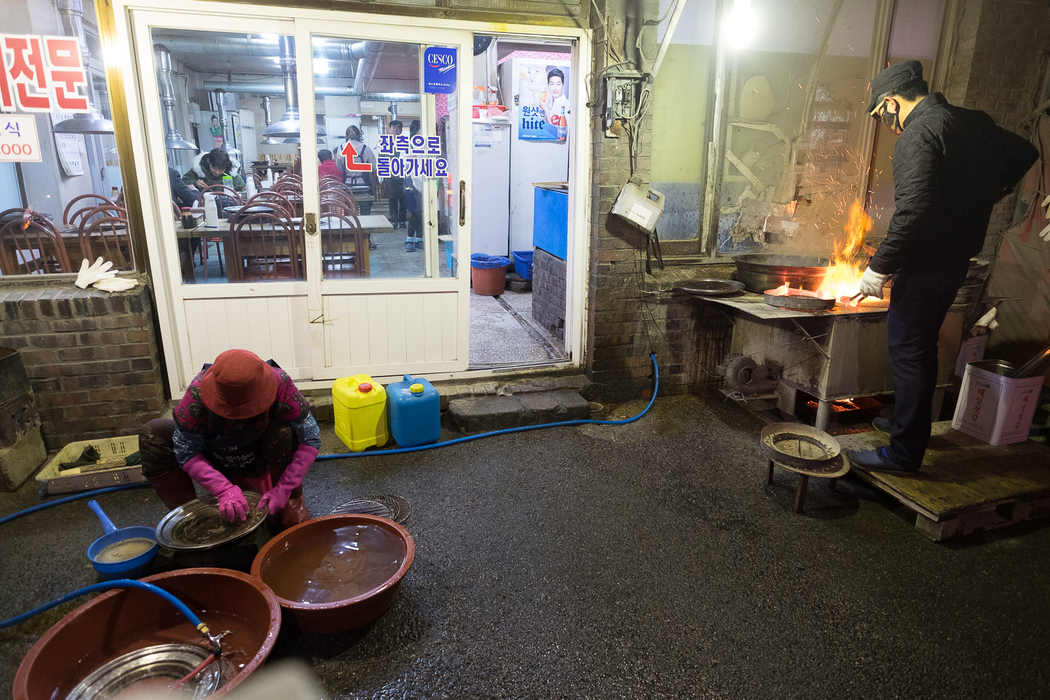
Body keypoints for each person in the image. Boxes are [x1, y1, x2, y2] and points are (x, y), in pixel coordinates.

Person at [845, 61, 1038, 474]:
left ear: (891, 102)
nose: (886, 124)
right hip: (955, 260)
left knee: (909, 353)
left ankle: (902, 455)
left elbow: (913, 212)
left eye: (881, 116)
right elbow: (1026, 152)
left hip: (926, 262)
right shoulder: (975, 122)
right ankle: (906, 425)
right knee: (922, 348)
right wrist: (986, 193)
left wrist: (878, 269)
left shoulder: (918, 134)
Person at [139, 349, 322, 529]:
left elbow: (310, 438)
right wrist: (223, 489)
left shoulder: (280, 381)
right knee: (152, 434)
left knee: (286, 432)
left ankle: (292, 501)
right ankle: (191, 517)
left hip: (260, 451)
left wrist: (285, 487)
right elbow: (186, 452)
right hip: (216, 454)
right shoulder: (197, 391)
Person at [403, 120, 424, 252]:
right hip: (411, 182)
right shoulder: (408, 145)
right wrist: (410, 158)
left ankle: (418, 240)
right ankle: (409, 238)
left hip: (426, 181)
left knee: (423, 213)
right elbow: (401, 162)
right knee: (415, 212)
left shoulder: (428, 144)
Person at [339, 125, 377, 197]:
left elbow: (340, 167)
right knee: (365, 206)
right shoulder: (365, 148)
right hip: (364, 183)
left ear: (346, 136)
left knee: (349, 206)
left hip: (347, 184)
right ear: (359, 135)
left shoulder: (340, 148)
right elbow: (374, 167)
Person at [386, 120, 406, 229]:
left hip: (403, 175)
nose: (395, 130)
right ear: (390, 129)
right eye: (393, 128)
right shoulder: (386, 143)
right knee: (392, 198)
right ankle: (394, 220)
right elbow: (382, 157)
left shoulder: (405, 142)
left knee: (403, 198)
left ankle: (402, 220)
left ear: (401, 130)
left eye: (398, 128)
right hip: (390, 175)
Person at [543, 67, 569, 134]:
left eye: (558, 84)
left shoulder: (566, 104)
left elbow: (558, 133)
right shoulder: (547, 102)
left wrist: (545, 109)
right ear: (548, 85)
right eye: (551, 84)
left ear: (562, 85)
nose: (555, 88)